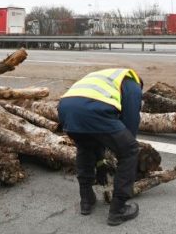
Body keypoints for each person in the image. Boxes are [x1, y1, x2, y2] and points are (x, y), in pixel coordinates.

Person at [58, 68, 143, 226]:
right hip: (90, 110)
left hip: (65, 108)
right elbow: (130, 127)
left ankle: (86, 200)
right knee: (130, 150)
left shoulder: (107, 77)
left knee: (85, 146)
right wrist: (125, 159)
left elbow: (97, 134)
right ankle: (118, 209)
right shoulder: (133, 86)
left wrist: (101, 162)